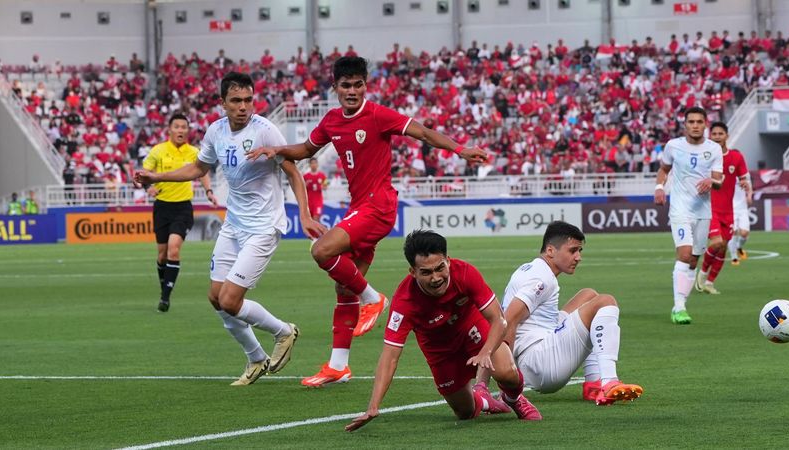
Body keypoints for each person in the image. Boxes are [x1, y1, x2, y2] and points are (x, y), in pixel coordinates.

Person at [247, 56, 487, 387]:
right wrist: (276, 150)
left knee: (321, 251)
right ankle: (338, 366)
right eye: (346, 85)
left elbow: (424, 133)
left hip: (379, 206)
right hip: (359, 207)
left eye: (358, 84)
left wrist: (459, 149)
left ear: (365, 86)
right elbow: (305, 149)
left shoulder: (377, 115)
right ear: (335, 88)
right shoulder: (332, 121)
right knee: (344, 286)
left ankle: (373, 298)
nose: (352, 91)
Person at [135, 72, 325, 385]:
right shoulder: (216, 131)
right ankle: (256, 358)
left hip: (263, 227)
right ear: (223, 103)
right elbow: (199, 168)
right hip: (234, 224)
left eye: (248, 100)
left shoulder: (266, 131)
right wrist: (156, 178)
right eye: (236, 100)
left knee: (230, 300)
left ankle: (284, 332)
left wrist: (304, 215)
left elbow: (292, 172)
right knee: (214, 296)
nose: (243, 106)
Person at [344, 230, 541, 432]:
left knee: (506, 372)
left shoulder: (465, 273)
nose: (436, 278)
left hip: (471, 327)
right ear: (412, 272)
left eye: (440, 268)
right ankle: (484, 400)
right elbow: (390, 356)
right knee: (465, 412)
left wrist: (486, 352)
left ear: (448, 260)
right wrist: (373, 406)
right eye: (426, 272)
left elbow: (499, 320)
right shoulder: (404, 302)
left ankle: (514, 398)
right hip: (439, 350)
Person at [479, 221, 643, 406]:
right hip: (539, 364)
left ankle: (593, 383)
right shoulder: (541, 279)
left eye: (580, 251)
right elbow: (508, 320)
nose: (578, 257)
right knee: (605, 302)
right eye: (572, 251)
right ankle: (609, 381)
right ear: (550, 251)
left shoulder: (531, 268)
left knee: (588, 295)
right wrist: (507, 380)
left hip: (534, 352)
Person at [142, 113, 219, 312]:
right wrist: (148, 188)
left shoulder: (194, 152)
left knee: (173, 248)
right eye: (177, 126)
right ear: (170, 129)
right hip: (162, 207)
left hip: (183, 208)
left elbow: (202, 172)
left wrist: (209, 191)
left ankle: (165, 298)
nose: (181, 130)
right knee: (162, 255)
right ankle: (164, 288)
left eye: (184, 127)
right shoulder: (158, 151)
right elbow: (144, 173)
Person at [654, 106, 723, 324]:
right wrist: (658, 187)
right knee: (684, 254)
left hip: (703, 211)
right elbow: (664, 169)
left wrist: (711, 181)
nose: (695, 126)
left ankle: (682, 301)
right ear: (685, 125)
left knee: (694, 259)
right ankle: (678, 307)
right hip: (680, 209)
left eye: (699, 122)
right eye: (691, 122)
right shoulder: (673, 146)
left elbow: (719, 181)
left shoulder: (713, 149)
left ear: (705, 125)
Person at [696, 123, 751, 294]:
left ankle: (710, 283)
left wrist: (744, 183)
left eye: (721, 133)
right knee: (717, 242)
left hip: (729, 210)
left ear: (727, 136)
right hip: (709, 208)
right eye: (714, 134)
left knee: (724, 246)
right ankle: (702, 274)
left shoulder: (736, 157)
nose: (718, 136)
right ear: (710, 136)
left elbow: (744, 178)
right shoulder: (704, 158)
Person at [728, 179, 751, 266]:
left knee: (744, 233)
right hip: (730, 208)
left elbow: (749, 187)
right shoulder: (726, 172)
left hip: (743, 208)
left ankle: (738, 247)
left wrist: (749, 196)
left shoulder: (744, 174)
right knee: (732, 232)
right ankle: (734, 257)